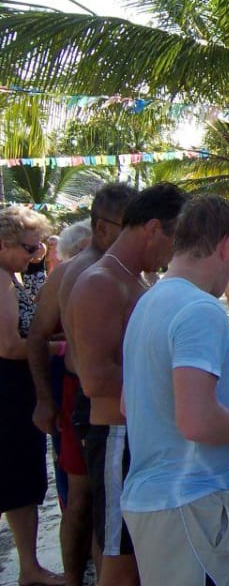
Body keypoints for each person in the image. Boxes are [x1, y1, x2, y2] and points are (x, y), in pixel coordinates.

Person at [121, 195, 229, 586]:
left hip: (157, 502)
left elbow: (133, 405)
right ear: (226, 246)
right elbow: (196, 421)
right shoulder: (200, 309)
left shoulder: (148, 302)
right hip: (187, 504)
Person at [66, 183, 187, 586]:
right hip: (119, 439)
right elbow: (95, 378)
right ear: (154, 228)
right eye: (177, 242)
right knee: (120, 567)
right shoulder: (101, 282)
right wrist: (176, 380)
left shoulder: (132, 280)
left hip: (141, 435)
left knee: (143, 557)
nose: (175, 256)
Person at [29, 186, 134, 586]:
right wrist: (44, 400)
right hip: (83, 396)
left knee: (108, 501)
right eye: (129, 226)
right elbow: (38, 336)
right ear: (103, 228)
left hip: (118, 397)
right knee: (82, 499)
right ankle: (76, 578)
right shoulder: (74, 273)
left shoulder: (128, 269)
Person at [0, 206, 64, 586]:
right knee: (18, 480)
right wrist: (58, 348)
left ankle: (29, 566)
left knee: (22, 481)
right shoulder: (3, 281)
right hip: (9, 391)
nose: (35, 254)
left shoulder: (13, 276)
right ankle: (29, 568)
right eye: (28, 247)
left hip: (17, 388)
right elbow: (9, 346)